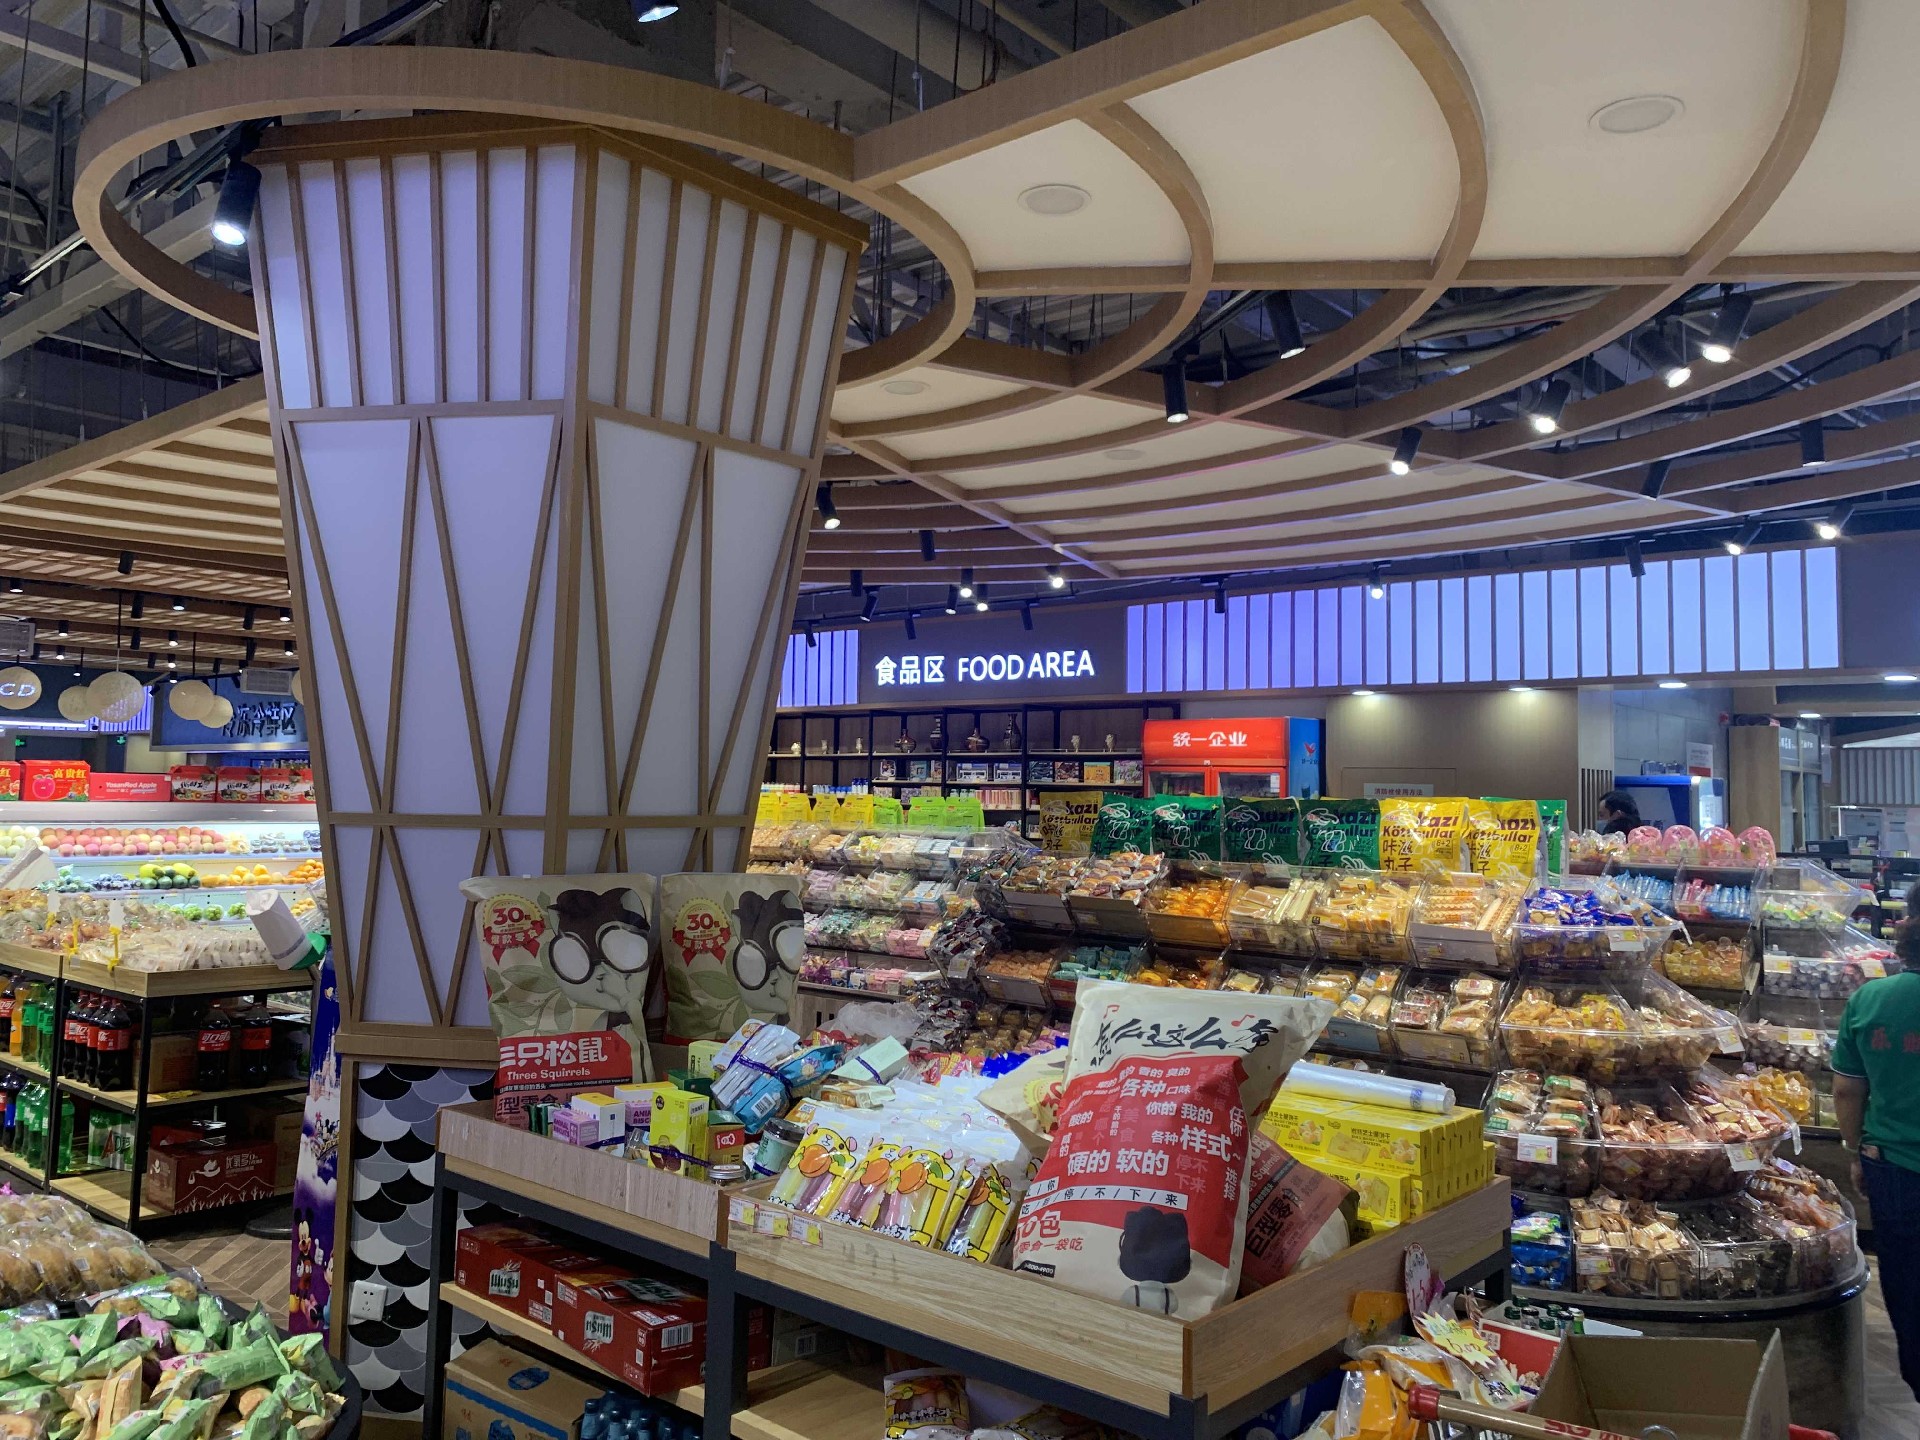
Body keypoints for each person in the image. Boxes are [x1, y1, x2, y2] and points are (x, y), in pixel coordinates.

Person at [1832, 880, 1920, 1402]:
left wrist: (1853, 1150)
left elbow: (1847, 1090)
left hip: (1894, 1167)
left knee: (1908, 1287)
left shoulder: (1872, 998)